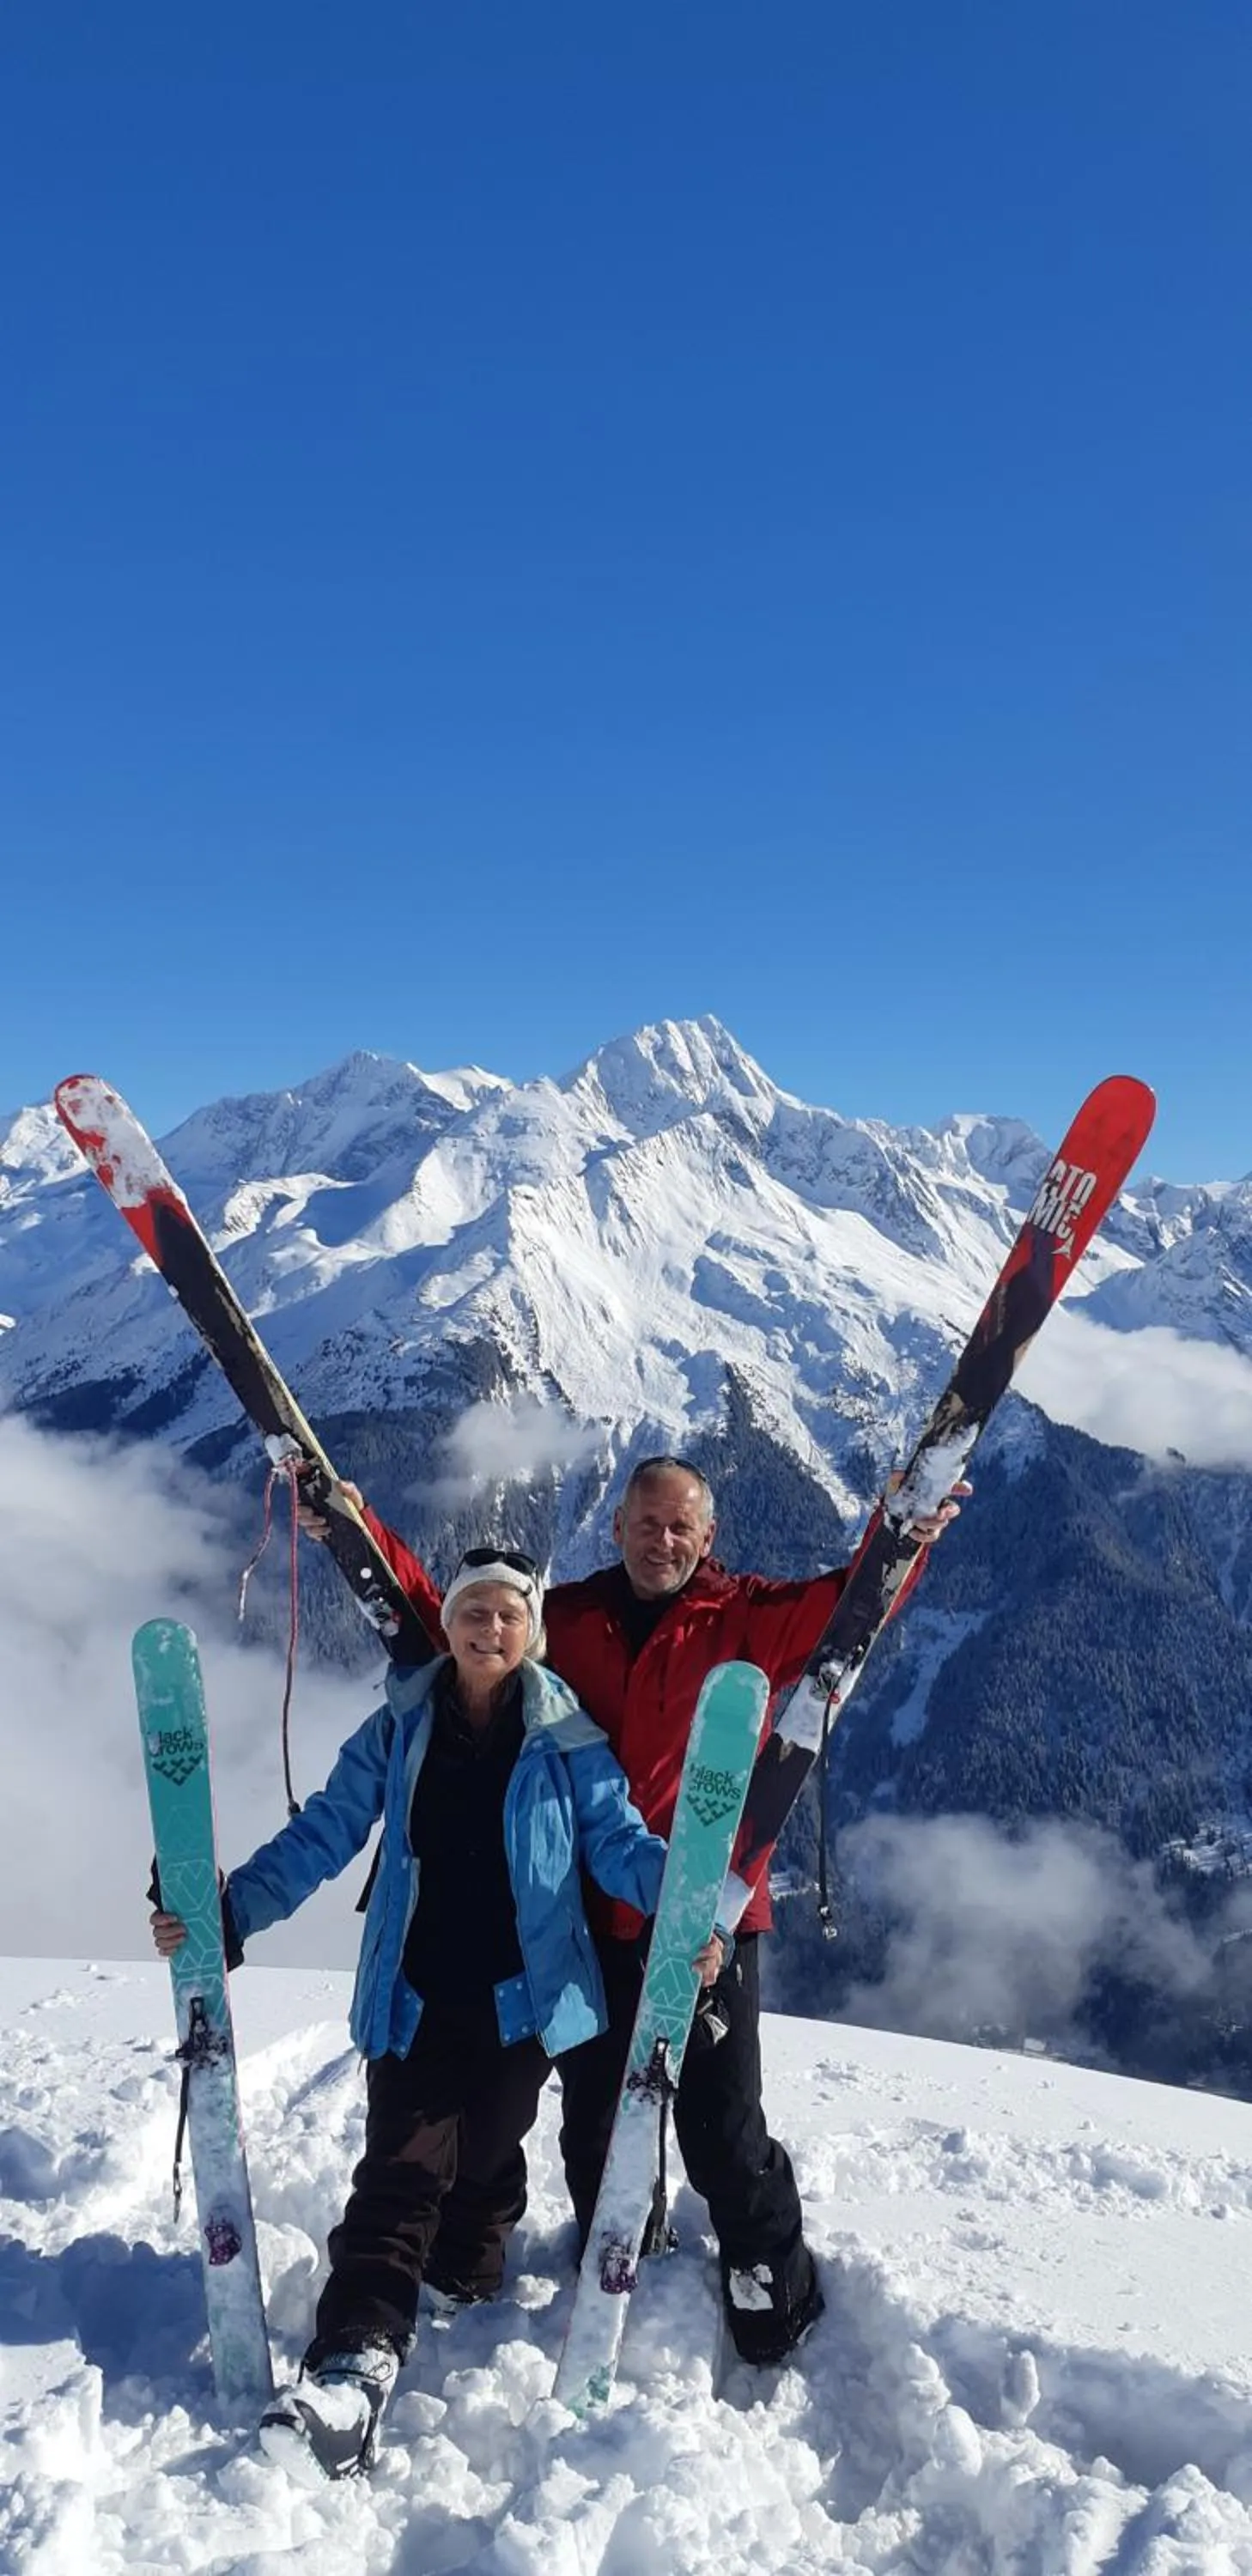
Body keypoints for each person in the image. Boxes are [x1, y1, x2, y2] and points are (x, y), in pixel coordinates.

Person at [299, 1455, 963, 2369]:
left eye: (680, 1526)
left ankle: (773, 2286)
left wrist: (902, 1536)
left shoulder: (745, 1616)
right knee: (599, 2119)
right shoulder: (568, 1620)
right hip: (597, 1916)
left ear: (708, 1536)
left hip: (712, 1917)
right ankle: (625, 2253)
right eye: (645, 1524)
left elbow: (853, 1608)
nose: (662, 1541)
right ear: (616, 1529)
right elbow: (453, 1624)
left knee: (721, 2121)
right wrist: (353, 1523)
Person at [151, 1544, 720, 2483]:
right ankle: (352, 2364)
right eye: (473, 1612)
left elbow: (621, 1847)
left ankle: (466, 2267)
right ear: (449, 1624)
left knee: (488, 2156)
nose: (488, 1629)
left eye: (507, 1615)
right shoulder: (400, 1727)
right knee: (401, 2171)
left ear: (531, 1633)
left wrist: (689, 1904)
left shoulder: (569, 1740)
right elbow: (325, 1830)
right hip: (411, 1991)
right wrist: (232, 1913)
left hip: (522, 2002)